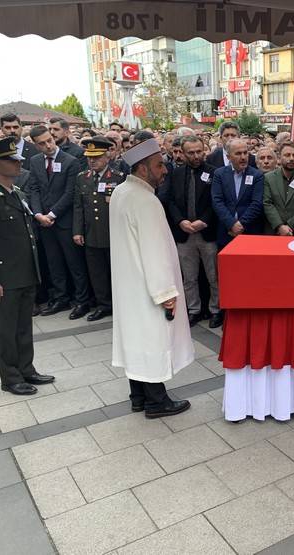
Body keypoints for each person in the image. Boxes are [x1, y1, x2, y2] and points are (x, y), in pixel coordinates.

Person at [110, 138, 192, 418]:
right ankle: (157, 401)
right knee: (153, 340)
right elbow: (153, 251)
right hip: (148, 286)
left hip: (129, 283)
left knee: (136, 339)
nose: (165, 170)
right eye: (159, 166)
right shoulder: (145, 200)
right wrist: (165, 293)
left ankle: (138, 396)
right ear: (143, 169)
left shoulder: (121, 192)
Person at [0, 138, 55, 395]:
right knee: (5, 330)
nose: (18, 163)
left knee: (23, 325)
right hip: (4, 276)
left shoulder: (17, 193)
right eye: (10, 160)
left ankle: (26, 369)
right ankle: (11, 377)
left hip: (24, 272)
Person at [29, 125, 91, 319]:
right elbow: (34, 189)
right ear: (36, 145)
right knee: (54, 263)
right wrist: (38, 214)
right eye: (42, 143)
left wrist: (52, 214)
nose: (48, 145)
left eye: (50, 140)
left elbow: (70, 193)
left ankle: (82, 301)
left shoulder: (70, 161)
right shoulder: (35, 161)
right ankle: (60, 298)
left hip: (64, 221)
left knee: (74, 263)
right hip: (44, 222)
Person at [165, 136, 221, 328]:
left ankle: (215, 310)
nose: (197, 156)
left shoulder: (214, 173)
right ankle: (194, 309)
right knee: (189, 277)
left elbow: (216, 201)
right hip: (184, 233)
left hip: (207, 232)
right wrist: (180, 221)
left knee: (213, 276)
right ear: (182, 153)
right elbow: (170, 200)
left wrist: (203, 221)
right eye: (191, 153)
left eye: (199, 151)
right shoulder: (175, 173)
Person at [72, 137, 125, 322]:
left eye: (97, 157)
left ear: (107, 157)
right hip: (91, 234)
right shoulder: (82, 178)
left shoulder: (118, 177)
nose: (92, 161)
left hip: (112, 234)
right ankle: (104, 305)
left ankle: (120, 304)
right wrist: (77, 231)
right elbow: (78, 206)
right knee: (97, 273)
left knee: (116, 272)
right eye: (89, 157)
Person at [211, 138, 265, 250]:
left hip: (249, 231)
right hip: (226, 231)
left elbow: (256, 203)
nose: (243, 157)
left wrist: (241, 225)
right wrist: (231, 224)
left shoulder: (257, 175)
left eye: (245, 153)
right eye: (238, 153)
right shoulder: (219, 174)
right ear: (228, 157)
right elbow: (217, 201)